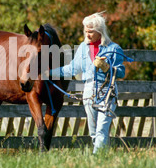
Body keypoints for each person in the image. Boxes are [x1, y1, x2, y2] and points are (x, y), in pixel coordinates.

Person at [50, 12, 125, 154]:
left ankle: (97, 158)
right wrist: (49, 73)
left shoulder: (113, 48)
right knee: (94, 131)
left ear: (99, 31)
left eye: (90, 32)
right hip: (89, 91)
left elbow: (121, 72)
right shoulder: (83, 48)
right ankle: (104, 158)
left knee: (102, 128)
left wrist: (107, 67)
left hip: (107, 91)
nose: (87, 34)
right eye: (86, 31)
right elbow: (72, 69)